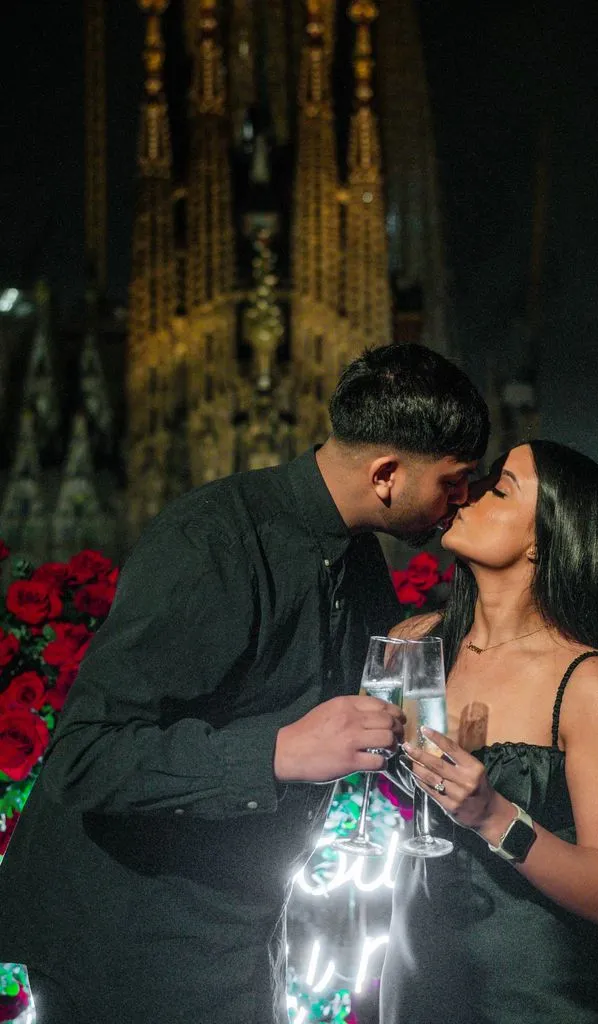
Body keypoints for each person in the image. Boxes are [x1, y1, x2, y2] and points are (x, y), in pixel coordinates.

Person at [0, 343, 489, 1024]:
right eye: (455, 480)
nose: (461, 501)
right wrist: (275, 753)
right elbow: (83, 758)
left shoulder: (359, 562)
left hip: (240, 919)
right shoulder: (213, 541)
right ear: (386, 474)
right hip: (125, 934)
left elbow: (381, 708)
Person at [380, 440, 598, 1024]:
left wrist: (492, 815)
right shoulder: (414, 644)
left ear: (540, 541)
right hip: (415, 978)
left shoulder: (585, 681)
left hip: (533, 994)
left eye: (500, 488)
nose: (470, 495)